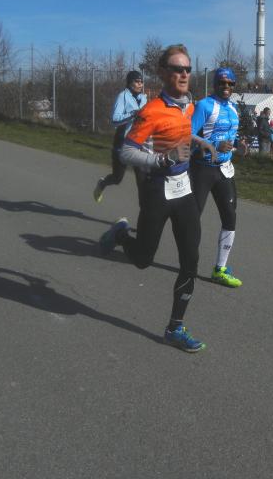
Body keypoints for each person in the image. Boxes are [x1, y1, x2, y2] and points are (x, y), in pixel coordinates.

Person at [98, 44, 216, 353]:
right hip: (157, 190)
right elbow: (126, 151)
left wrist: (201, 142)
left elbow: (180, 132)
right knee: (142, 260)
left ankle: (175, 328)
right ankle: (121, 234)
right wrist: (161, 160)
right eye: (177, 69)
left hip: (184, 189)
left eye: (188, 69)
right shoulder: (150, 111)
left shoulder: (189, 106)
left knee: (191, 259)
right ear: (163, 73)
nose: (184, 74)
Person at [190, 67, 244, 288]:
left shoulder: (233, 108)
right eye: (222, 83)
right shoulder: (204, 105)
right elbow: (187, 136)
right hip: (202, 169)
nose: (226, 87)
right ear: (215, 84)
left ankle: (219, 269)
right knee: (191, 219)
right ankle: (188, 262)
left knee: (230, 218)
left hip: (224, 169)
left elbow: (232, 136)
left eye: (230, 84)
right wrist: (213, 145)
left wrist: (239, 144)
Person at [93, 70, 147, 203]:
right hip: (123, 143)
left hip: (139, 144)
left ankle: (145, 211)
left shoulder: (144, 98)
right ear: (129, 83)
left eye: (141, 82)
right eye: (137, 82)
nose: (140, 84)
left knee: (142, 181)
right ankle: (102, 183)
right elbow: (115, 119)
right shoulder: (122, 97)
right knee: (117, 178)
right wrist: (133, 114)